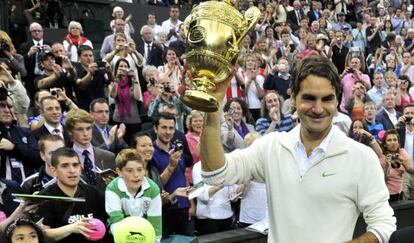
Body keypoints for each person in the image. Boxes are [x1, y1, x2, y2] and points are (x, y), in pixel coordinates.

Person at [199, 56, 396, 242]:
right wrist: (213, 107)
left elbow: (383, 225)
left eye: (327, 99)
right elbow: (216, 174)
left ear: (337, 100)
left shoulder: (361, 157)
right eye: (309, 98)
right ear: (293, 98)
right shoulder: (271, 147)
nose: (318, 108)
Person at [37, 147, 108, 243]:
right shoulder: (45, 197)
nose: (72, 170)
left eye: (75, 165)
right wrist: (72, 228)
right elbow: (42, 235)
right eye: (65, 166)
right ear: (54, 171)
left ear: (80, 168)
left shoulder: (94, 193)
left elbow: (107, 224)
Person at [105, 148, 162, 241]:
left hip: (144, 235)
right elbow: (116, 220)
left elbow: (155, 223)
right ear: (119, 172)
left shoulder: (153, 189)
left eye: (140, 169)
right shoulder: (112, 189)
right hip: (120, 235)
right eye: (129, 170)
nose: (136, 175)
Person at [109, 58, 142, 145]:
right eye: (121, 66)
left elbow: (137, 96)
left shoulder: (133, 82)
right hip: (118, 120)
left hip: (133, 120)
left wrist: (135, 78)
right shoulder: (113, 81)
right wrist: (116, 79)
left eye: (125, 66)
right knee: (119, 145)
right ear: (117, 69)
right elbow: (113, 95)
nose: (123, 68)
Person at [380, 129, 414, 202]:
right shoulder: (382, 157)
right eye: (389, 140)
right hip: (386, 194)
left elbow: (411, 171)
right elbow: (383, 180)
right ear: (385, 144)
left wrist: (403, 162)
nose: (393, 142)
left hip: (400, 192)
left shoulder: (402, 152)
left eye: (395, 140)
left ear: (398, 142)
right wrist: (388, 165)